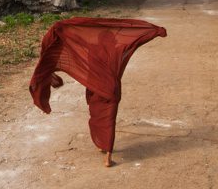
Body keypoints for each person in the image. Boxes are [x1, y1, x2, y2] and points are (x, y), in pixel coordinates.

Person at [29, 17, 167, 166]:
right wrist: (154, 31)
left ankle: (105, 149)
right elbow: (135, 41)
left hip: (94, 87)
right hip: (110, 88)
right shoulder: (117, 49)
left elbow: (74, 40)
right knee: (109, 119)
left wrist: (59, 28)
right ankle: (107, 153)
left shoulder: (90, 48)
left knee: (97, 116)